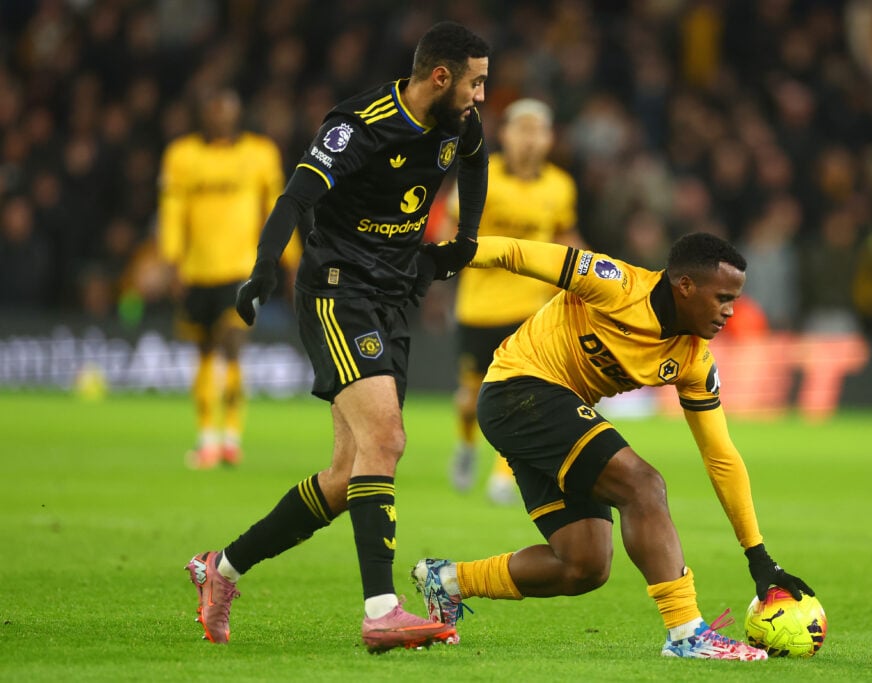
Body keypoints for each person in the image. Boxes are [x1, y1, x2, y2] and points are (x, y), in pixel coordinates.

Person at [184, 21, 491, 652]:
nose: (482, 95)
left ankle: (221, 569)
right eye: (476, 82)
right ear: (441, 76)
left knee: (347, 474)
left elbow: (477, 162)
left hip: (393, 298)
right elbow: (295, 199)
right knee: (387, 437)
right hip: (336, 291)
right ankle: (382, 611)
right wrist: (264, 267)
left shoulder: (461, 124)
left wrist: (464, 239)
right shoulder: (360, 124)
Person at [412, 232, 814, 660]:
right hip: (519, 388)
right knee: (642, 484)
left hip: (544, 413)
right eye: (723, 298)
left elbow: (721, 456)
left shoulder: (694, 359)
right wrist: (445, 258)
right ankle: (686, 632)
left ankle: (448, 581)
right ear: (685, 286)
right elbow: (519, 253)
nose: (731, 311)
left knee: (583, 565)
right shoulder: (615, 284)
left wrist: (758, 556)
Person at [444, 97, 584, 504]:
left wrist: (591, 275)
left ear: (549, 139)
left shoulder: (560, 186)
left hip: (532, 308)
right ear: (503, 134)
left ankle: (504, 474)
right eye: (520, 129)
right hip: (479, 306)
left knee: (521, 394)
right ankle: (466, 445)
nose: (528, 139)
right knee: (470, 399)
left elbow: (566, 236)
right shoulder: (479, 176)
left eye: (536, 131)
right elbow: (455, 231)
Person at [158, 88, 301, 469]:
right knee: (204, 351)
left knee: (232, 343)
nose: (220, 116)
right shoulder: (181, 155)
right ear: (205, 114)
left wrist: (291, 259)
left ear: (237, 114)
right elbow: (172, 212)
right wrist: (171, 263)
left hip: (241, 269)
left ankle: (232, 439)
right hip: (195, 270)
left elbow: (279, 207)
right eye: (214, 110)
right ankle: (207, 439)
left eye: (226, 110)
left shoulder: (260, 153)